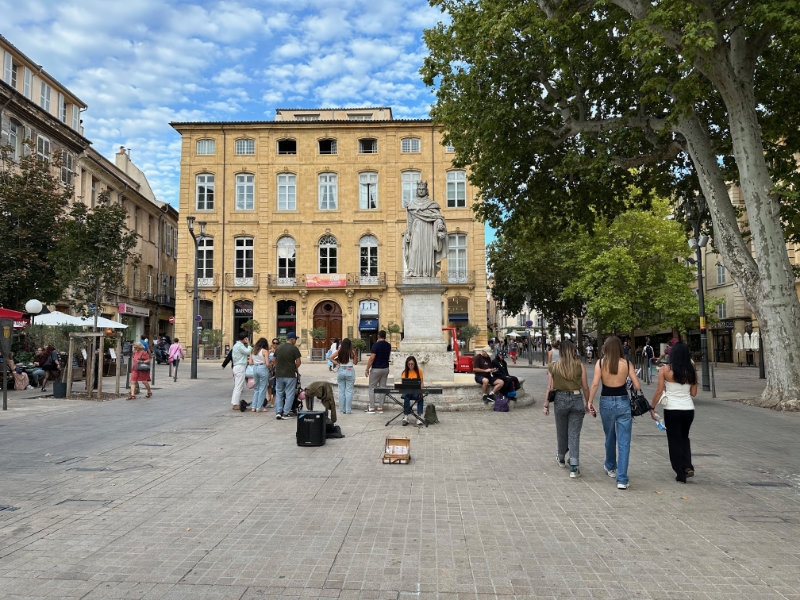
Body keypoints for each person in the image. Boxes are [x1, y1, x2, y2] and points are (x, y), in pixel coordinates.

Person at [588, 336, 642, 490]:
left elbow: (595, 384)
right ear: (619, 348)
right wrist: (628, 380)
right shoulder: (626, 364)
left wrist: (589, 402)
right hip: (623, 402)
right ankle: (622, 479)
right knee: (624, 441)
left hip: (606, 402)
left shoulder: (600, 363)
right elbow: (637, 386)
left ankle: (611, 466)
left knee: (609, 435)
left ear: (606, 348)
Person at [650, 341, 698, 483]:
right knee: (684, 438)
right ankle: (688, 466)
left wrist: (652, 407)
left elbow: (659, 391)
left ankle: (680, 471)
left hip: (672, 409)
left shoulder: (665, 370)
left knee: (674, 440)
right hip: (688, 409)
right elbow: (694, 393)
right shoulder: (692, 371)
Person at [543, 340, 591, 478]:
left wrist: (546, 405)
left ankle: (561, 458)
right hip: (576, 399)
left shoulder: (553, 367)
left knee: (561, 431)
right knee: (574, 434)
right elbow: (586, 387)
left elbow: (550, 387)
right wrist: (588, 403)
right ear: (572, 350)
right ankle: (574, 467)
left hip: (560, 399)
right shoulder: (579, 365)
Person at [403, 180, 447, 277]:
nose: (421, 191)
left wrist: (439, 225)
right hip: (416, 229)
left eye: (423, 189)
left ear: (426, 190)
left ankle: (427, 272)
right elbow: (409, 221)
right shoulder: (412, 204)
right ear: (417, 190)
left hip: (427, 230)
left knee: (426, 250)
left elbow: (438, 217)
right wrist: (408, 233)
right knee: (414, 249)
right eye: (419, 189)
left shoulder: (432, 204)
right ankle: (412, 271)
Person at [274, 332, 301, 419]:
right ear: (292, 339)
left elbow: (274, 360)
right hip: (290, 375)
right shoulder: (294, 349)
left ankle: (278, 412)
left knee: (279, 393)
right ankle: (286, 413)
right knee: (289, 394)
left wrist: (278, 367)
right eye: (295, 339)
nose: (296, 341)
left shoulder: (279, 348)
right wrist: (293, 368)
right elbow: (298, 362)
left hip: (279, 374)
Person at [364, 330, 391, 413]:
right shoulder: (388, 345)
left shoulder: (375, 345)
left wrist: (367, 369)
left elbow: (372, 358)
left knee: (372, 388)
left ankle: (372, 407)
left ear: (378, 336)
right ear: (385, 337)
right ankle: (380, 407)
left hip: (376, 368)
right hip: (385, 368)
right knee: (383, 387)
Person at [330, 337, 358, 414]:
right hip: (349, 370)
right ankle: (348, 410)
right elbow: (355, 362)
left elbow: (330, 357)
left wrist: (337, 364)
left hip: (341, 370)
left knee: (341, 391)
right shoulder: (352, 352)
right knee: (349, 391)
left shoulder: (339, 351)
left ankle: (342, 410)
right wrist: (355, 355)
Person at [400, 355, 424, 426]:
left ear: (415, 364)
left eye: (412, 364)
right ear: (407, 364)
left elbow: (422, 383)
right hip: (408, 392)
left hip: (416, 392)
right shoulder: (404, 372)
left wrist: (420, 390)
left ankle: (419, 417)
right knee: (406, 395)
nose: (410, 365)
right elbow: (403, 384)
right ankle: (406, 417)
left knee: (420, 397)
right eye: (409, 364)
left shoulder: (419, 371)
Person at [230, 332, 251, 411]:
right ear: (245, 338)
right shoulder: (240, 346)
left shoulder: (236, 345)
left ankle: (234, 402)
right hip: (240, 366)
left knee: (237, 386)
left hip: (236, 366)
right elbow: (248, 352)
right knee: (239, 386)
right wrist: (248, 344)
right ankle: (235, 404)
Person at [248, 337, 270, 412]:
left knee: (256, 388)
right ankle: (259, 407)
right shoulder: (265, 351)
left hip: (255, 368)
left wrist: (256, 362)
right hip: (262, 368)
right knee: (262, 388)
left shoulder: (253, 350)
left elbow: (250, 363)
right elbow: (267, 363)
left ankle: (253, 407)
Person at [267, 338, 279, 407]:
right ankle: (269, 398)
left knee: (275, 385)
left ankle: (273, 401)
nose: (275, 344)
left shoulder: (279, 350)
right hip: (269, 369)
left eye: (276, 343)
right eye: (274, 343)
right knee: (269, 385)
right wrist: (270, 351)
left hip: (276, 370)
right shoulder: (269, 350)